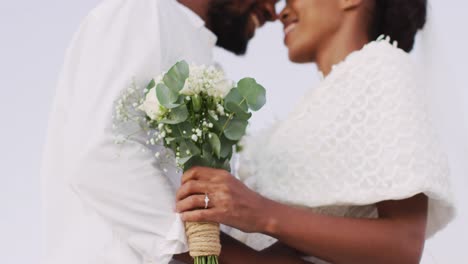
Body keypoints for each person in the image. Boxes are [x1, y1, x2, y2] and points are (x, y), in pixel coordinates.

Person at [175, 0, 455, 263]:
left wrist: (260, 213)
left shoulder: (383, 67)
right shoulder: (315, 107)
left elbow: (403, 244)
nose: (282, 11)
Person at [40, 1, 297, 264]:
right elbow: (101, 155)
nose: (272, 11)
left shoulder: (192, 45)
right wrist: (248, 260)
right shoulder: (143, 12)